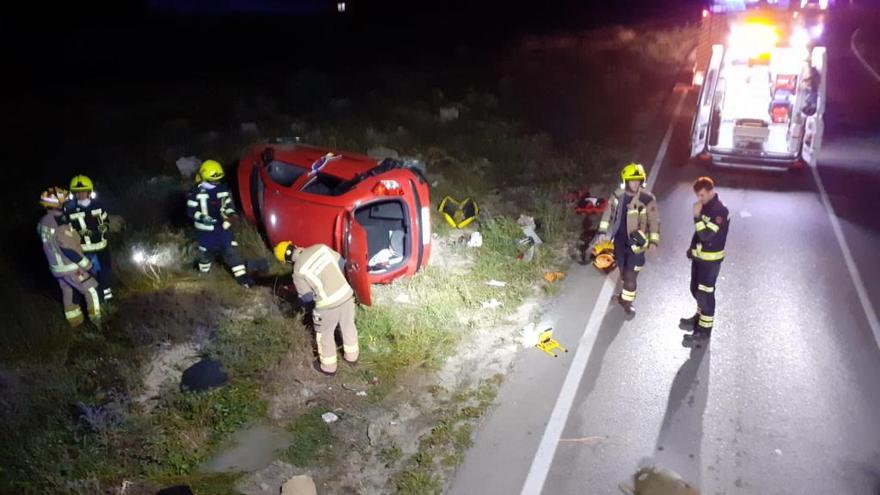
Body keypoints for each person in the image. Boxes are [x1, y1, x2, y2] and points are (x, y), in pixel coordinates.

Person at [274, 241, 359, 376]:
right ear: (295, 246)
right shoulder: (320, 247)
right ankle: (352, 358)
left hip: (327, 305)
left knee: (324, 335)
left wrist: (310, 310)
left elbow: (307, 298)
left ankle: (329, 367)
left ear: (287, 261)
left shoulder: (297, 270)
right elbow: (342, 263)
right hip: (346, 295)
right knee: (348, 325)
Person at [596, 162, 661, 316]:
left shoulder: (647, 198)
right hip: (619, 242)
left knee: (631, 276)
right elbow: (608, 214)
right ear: (625, 181)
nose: (635, 183)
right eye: (632, 180)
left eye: (638, 180)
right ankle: (623, 297)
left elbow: (654, 220)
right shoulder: (618, 195)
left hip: (636, 245)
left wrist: (653, 240)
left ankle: (628, 303)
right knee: (624, 273)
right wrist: (602, 231)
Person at [38, 187, 102, 328]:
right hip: (71, 267)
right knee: (91, 289)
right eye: (65, 201)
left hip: (57, 269)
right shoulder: (60, 223)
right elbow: (68, 249)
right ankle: (97, 323)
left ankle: (75, 324)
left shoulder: (43, 222)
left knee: (68, 293)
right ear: (58, 204)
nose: (68, 202)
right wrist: (87, 266)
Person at [186, 159, 253, 287]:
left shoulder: (222, 190)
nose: (215, 183)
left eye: (218, 180)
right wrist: (202, 217)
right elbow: (191, 211)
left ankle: (243, 280)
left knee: (232, 252)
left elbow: (227, 206)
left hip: (222, 228)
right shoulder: (195, 193)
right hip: (204, 232)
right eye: (212, 180)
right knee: (205, 256)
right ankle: (203, 278)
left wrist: (230, 216)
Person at [680, 176, 729, 341]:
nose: (699, 199)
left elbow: (706, 235)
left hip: (711, 262)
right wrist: (692, 247)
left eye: (702, 195)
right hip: (699, 258)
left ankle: (704, 331)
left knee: (705, 295)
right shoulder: (705, 207)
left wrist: (696, 216)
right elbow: (698, 234)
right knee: (695, 289)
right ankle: (698, 319)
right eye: (698, 195)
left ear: (710, 191)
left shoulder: (720, 211)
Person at [63, 174, 113, 302]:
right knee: (86, 276)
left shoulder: (97, 205)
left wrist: (105, 226)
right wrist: (79, 233)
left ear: (89, 191)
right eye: (77, 192)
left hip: (101, 246)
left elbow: (106, 219)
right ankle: (92, 300)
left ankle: (107, 298)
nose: (81, 194)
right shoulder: (70, 209)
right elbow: (66, 231)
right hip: (83, 250)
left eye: (83, 191)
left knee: (105, 272)